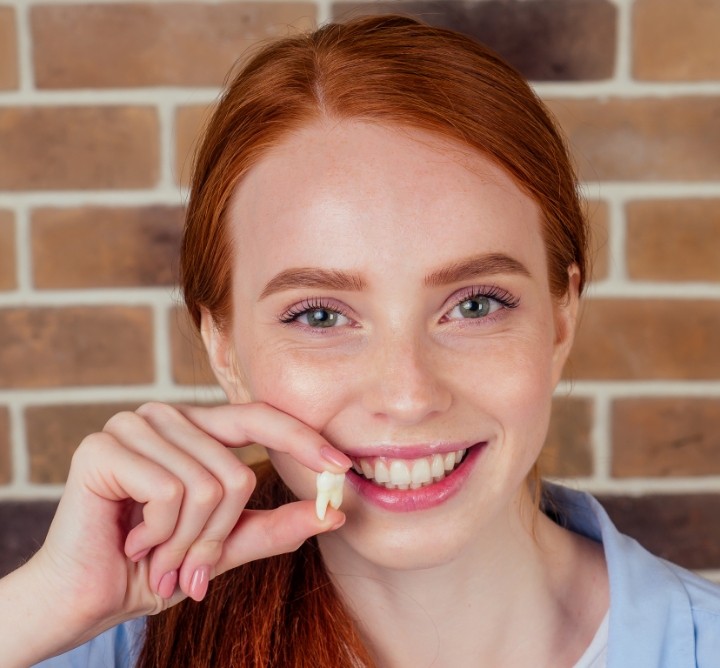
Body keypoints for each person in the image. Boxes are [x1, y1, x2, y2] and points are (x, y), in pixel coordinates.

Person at [2, 14, 719, 668]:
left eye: (474, 304)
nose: (408, 395)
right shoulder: (97, 641)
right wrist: (45, 607)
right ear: (222, 346)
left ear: (561, 320)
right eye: (319, 316)